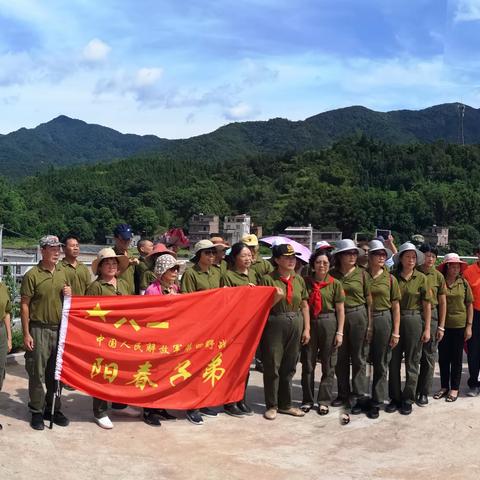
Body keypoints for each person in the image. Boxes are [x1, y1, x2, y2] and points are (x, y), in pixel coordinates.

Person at [20, 235, 71, 430]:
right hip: (39, 328)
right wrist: (26, 333)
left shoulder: (62, 272)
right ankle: (36, 411)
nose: (57, 252)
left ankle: (54, 409)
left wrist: (69, 293)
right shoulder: (33, 274)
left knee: (56, 373)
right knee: (36, 372)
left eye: (58, 248)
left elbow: (67, 299)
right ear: (43, 250)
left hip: (58, 329)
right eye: (52, 248)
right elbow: (24, 305)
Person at [86, 248, 138, 429]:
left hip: (122, 335)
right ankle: (99, 411)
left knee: (121, 372)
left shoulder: (123, 284)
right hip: (103, 336)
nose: (111, 266)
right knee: (102, 372)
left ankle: (119, 404)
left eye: (114, 263)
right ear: (100, 268)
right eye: (107, 263)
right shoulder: (96, 287)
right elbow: (89, 314)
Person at [260, 243, 310, 420]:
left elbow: (304, 304)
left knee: (290, 365)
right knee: (273, 364)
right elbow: (262, 308)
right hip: (275, 321)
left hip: (296, 320)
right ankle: (272, 405)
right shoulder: (267, 279)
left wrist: (307, 329)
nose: (291, 261)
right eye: (287, 258)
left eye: (293, 258)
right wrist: (276, 298)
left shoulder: (299, 279)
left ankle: (286, 404)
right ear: (276, 260)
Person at [387, 242, 432, 415]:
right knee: (394, 361)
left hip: (415, 320)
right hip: (395, 321)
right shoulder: (392, 277)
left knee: (413, 361)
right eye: (408, 256)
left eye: (414, 257)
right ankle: (395, 397)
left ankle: (408, 398)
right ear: (401, 258)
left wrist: (427, 328)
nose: (411, 260)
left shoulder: (422, 278)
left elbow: (427, 305)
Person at [180, 239, 221, 425]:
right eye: (208, 253)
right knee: (193, 366)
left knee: (207, 365)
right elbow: (188, 301)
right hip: (198, 326)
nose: (211, 256)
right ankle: (191, 406)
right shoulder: (190, 273)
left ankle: (203, 401)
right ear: (199, 255)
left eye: (213, 253)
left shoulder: (216, 272)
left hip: (214, 325)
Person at [300, 249, 345, 416]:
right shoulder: (305, 282)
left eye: (325, 263)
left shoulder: (335, 283)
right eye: (318, 262)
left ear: (330, 264)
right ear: (313, 264)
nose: (322, 265)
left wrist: (340, 332)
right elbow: (303, 305)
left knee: (328, 364)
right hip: (310, 321)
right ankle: (307, 399)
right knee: (308, 364)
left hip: (329, 322)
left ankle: (324, 401)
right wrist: (306, 328)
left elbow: (340, 310)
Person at [330, 239, 372, 414]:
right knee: (339, 357)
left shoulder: (363, 274)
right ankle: (343, 393)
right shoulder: (332, 275)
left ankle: (358, 393)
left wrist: (370, 325)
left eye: (355, 253)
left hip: (358, 315)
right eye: (349, 253)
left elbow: (370, 301)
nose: (353, 256)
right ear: (339, 256)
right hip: (337, 317)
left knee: (359, 357)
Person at [141, 254, 180, 425]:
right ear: (162, 271)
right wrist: (168, 302)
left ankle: (161, 406)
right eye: (172, 269)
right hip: (155, 337)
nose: (175, 272)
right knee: (153, 373)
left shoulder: (175, 288)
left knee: (165, 372)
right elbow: (149, 314)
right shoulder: (152, 290)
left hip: (169, 337)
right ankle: (149, 409)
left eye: (176, 269)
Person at [365, 239, 401, 419]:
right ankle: (361, 398)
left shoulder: (390, 278)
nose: (381, 257)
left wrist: (396, 331)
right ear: (369, 257)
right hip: (363, 320)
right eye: (377, 254)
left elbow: (395, 306)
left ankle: (376, 401)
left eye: (383, 254)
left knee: (381, 362)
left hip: (383, 319)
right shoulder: (361, 276)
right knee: (360, 361)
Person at [220, 242, 256, 417]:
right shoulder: (228, 276)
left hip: (251, 325)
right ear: (235, 258)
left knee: (246, 364)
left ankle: (241, 398)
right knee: (233, 365)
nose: (248, 258)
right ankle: (229, 401)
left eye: (249, 255)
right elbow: (227, 302)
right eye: (243, 255)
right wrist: (243, 292)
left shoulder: (255, 275)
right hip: (235, 327)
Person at [434, 253, 473, 402]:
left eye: (458, 266)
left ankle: (454, 388)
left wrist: (469, 326)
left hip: (459, 325)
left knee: (456, 359)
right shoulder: (441, 282)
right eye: (453, 266)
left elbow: (469, 304)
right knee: (443, 358)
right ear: (447, 267)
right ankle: (444, 386)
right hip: (443, 325)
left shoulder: (463, 283)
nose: (456, 269)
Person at [416, 244, 447, 406]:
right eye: (427, 255)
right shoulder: (414, 272)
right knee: (414, 355)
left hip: (433, 316)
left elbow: (442, 302)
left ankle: (423, 391)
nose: (430, 259)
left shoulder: (438, 277)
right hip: (414, 315)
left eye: (433, 256)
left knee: (428, 356)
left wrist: (441, 326)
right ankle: (412, 387)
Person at [463, 245, 480, 396]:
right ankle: (473, 383)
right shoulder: (469, 272)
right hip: (475, 315)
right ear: (477, 254)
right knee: (473, 351)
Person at [0, 280, 12, 431]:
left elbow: (7, 313)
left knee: (0, 372)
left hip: (1, 332)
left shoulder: (2, 286)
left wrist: (9, 337)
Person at [112, 224, 138, 295]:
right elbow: (107, 277)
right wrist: (128, 263)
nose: (126, 242)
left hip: (131, 295)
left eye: (128, 239)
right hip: (116, 295)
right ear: (115, 238)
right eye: (122, 239)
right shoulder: (110, 255)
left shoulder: (131, 254)